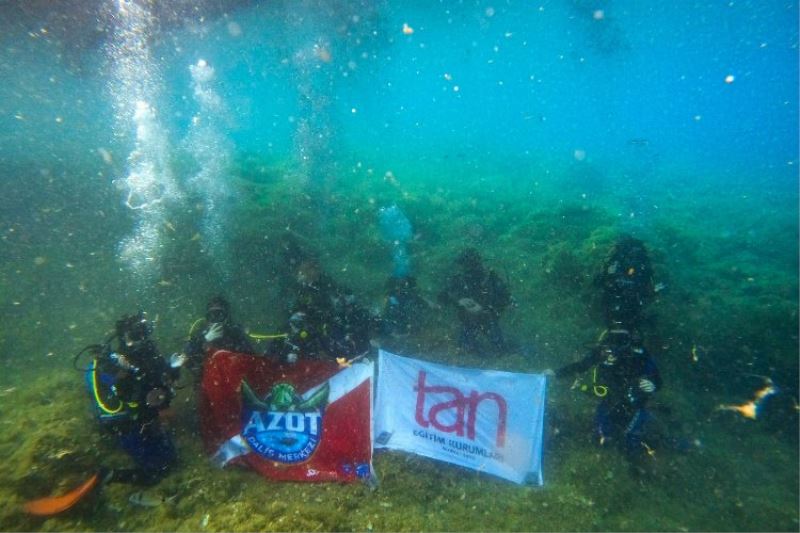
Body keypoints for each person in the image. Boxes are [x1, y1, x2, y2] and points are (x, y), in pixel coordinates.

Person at [86, 312, 184, 486]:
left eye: (144, 332)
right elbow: (126, 401)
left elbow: (162, 388)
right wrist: (125, 374)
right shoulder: (112, 364)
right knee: (157, 472)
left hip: (147, 418)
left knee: (172, 460)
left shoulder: (151, 354)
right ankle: (108, 475)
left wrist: (174, 370)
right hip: (125, 423)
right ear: (124, 336)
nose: (141, 339)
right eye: (136, 334)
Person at [553, 328, 661, 462]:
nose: (617, 348)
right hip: (610, 400)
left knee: (632, 440)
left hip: (634, 402)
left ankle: (635, 460)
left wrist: (653, 385)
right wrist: (556, 373)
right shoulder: (604, 351)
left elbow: (656, 378)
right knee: (603, 435)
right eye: (613, 343)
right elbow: (582, 365)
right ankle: (610, 455)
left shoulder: (639, 354)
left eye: (623, 341)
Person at [270, 258, 371, 363]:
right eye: (307, 269)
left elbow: (343, 312)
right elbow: (294, 316)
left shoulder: (329, 288)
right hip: (309, 341)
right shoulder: (294, 291)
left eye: (313, 267)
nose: (312, 272)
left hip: (330, 343)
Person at [438, 248, 511, 354]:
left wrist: (485, 310)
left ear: (479, 262)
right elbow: (442, 297)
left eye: (472, 264)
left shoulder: (491, 277)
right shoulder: (459, 280)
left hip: (489, 320)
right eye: (466, 265)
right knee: (465, 351)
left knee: (502, 350)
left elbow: (506, 299)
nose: (469, 268)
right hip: (469, 322)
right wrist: (459, 301)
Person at [183, 296, 254, 382]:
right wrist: (205, 339)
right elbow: (186, 358)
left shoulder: (235, 333)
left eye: (219, 315)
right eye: (211, 315)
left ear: (227, 317)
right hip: (206, 383)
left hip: (234, 382)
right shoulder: (201, 334)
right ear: (207, 317)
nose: (215, 319)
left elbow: (251, 357)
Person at [596, 235, 655, 331]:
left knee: (615, 319)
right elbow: (648, 282)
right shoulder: (641, 258)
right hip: (633, 296)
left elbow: (601, 279)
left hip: (617, 295)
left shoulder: (615, 257)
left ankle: (615, 331)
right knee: (632, 321)